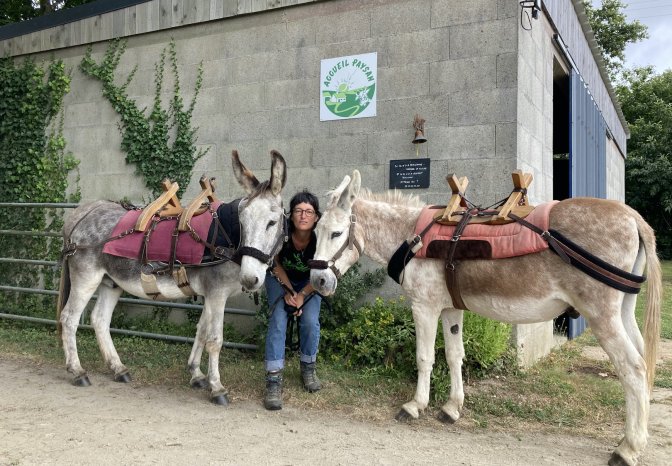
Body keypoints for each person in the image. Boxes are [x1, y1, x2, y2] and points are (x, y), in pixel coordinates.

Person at [263, 190, 323, 411]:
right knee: (279, 320)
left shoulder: (320, 238)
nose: (303, 216)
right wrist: (289, 292)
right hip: (280, 280)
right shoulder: (282, 233)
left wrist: (302, 295)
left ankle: (308, 368)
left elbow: (322, 272)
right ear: (291, 214)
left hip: (310, 283)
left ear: (316, 217)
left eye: (309, 211)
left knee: (310, 322)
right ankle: (273, 379)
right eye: (298, 210)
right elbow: (275, 263)